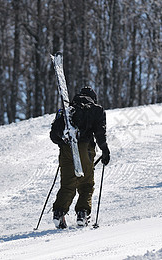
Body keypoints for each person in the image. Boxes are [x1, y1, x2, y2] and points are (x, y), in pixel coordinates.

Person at [50, 86, 110, 228]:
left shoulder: (67, 110)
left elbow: (53, 135)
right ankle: (82, 214)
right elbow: (100, 134)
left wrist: (64, 143)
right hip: (84, 148)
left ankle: (59, 213)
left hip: (66, 148)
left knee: (67, 184)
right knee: (86, 184)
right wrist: (105, 150)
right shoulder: (96, 110)